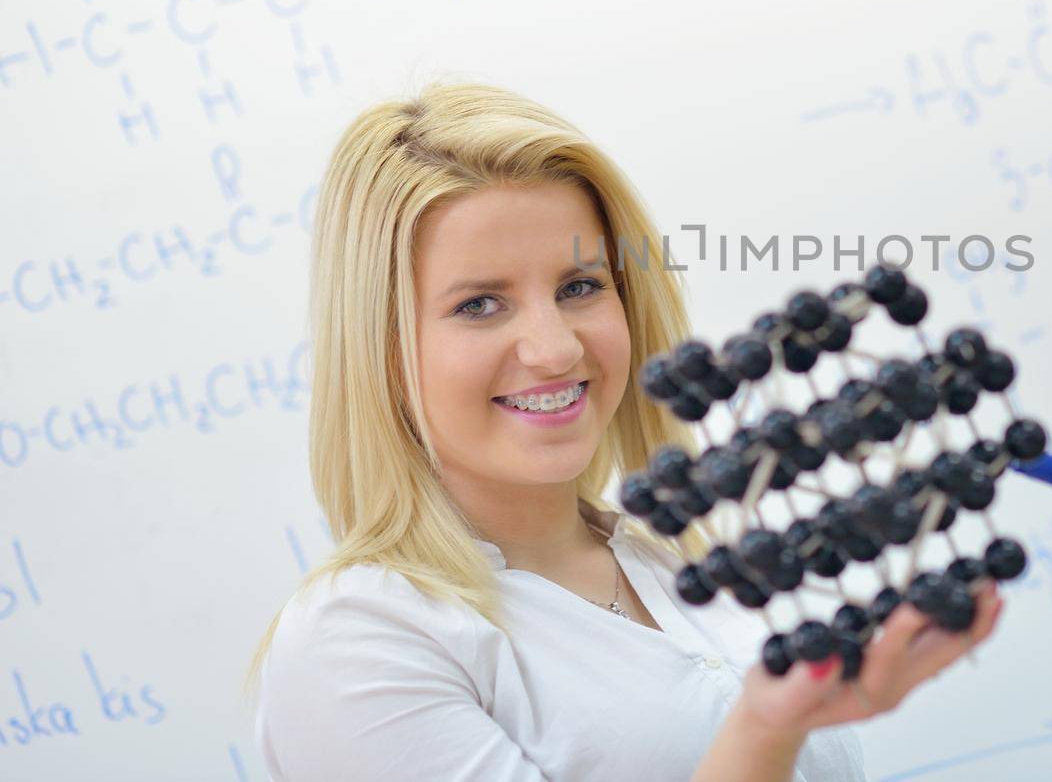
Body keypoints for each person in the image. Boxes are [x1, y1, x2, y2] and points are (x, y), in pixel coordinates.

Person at [248, 80, 1001, 781]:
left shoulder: (688, 566)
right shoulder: (360, 642)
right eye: (479, 304)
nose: (555, 349)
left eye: (580, 287)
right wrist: (763, 736)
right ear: (381, 349)